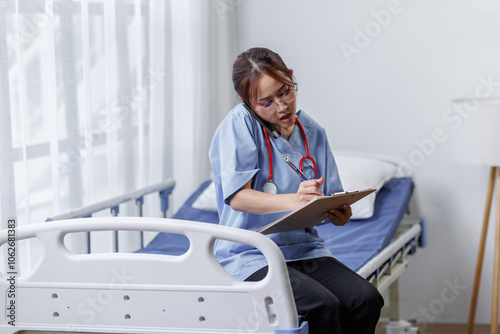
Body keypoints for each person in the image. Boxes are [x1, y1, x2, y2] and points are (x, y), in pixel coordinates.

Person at [208, 47, 384, 334]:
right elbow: (238, 197)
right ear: (247, 102)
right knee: (322, 306)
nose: (281, 106)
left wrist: (336, 213)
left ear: (291, 77)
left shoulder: (313, 132)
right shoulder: (240, 124)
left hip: (304, 251)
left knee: (364, 299)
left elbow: (326, 199)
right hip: (251, 255)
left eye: (285, 92)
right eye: (265, 102)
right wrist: (295, 199)